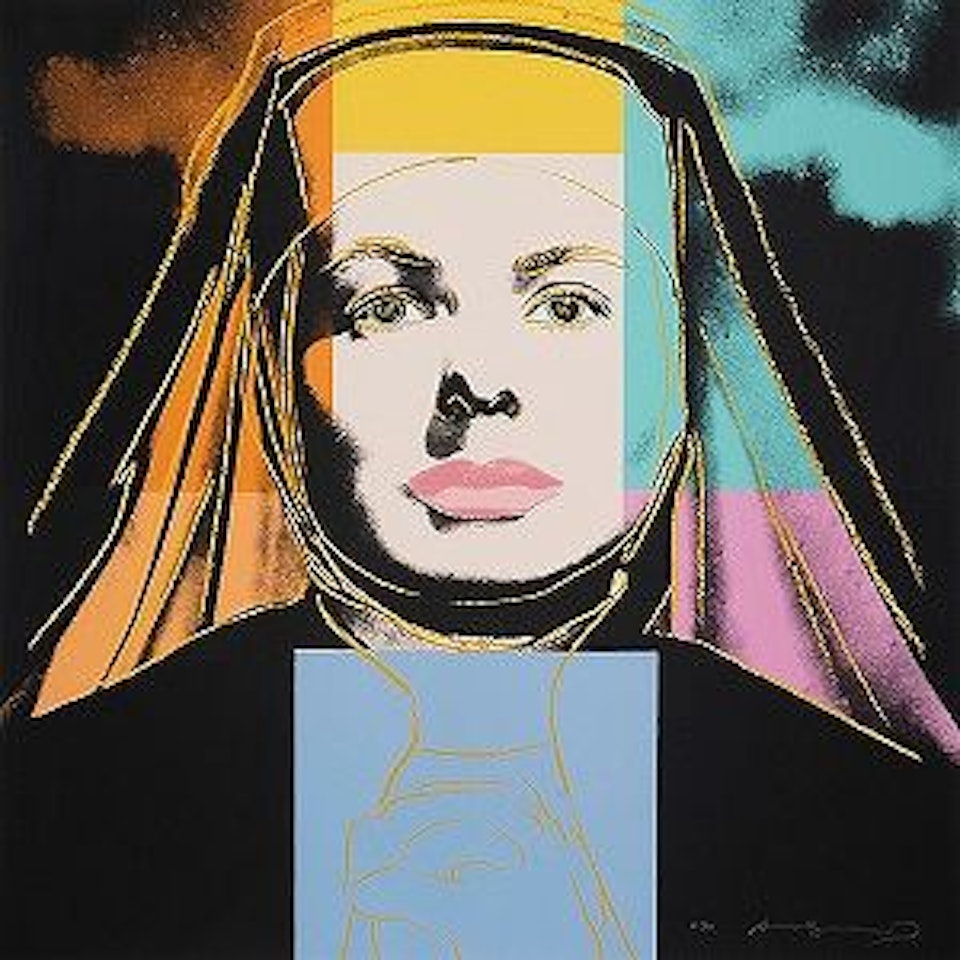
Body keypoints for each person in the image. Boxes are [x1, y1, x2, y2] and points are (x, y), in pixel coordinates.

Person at [3, 3, 958, 957]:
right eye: (384, 306)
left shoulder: (882, 830)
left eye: (569, 304)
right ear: (269, 361)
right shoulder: (62, 808)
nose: (480, 384)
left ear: (685, 358)